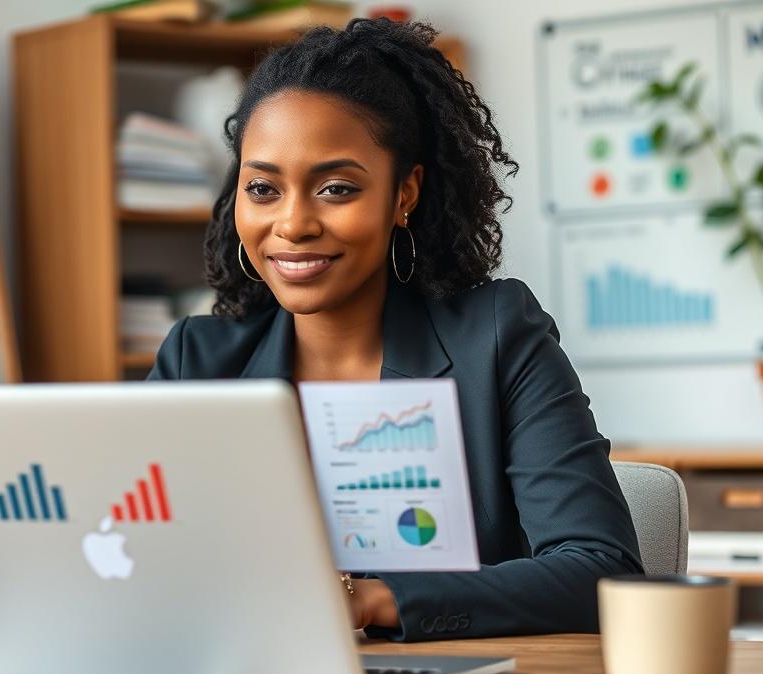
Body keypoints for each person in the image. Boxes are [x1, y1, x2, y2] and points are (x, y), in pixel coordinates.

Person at [148, 17, 643, 641]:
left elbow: (602, 574)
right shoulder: (197, 361)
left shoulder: (495, 339)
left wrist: (371, 601)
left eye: (335, 187)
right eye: (264, 188)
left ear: (402, 193)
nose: (293, 223)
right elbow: (144, 564)